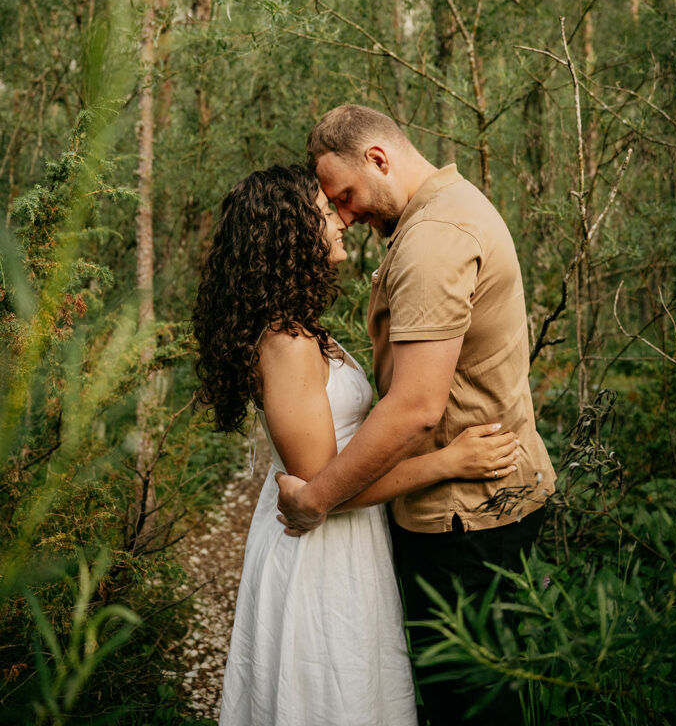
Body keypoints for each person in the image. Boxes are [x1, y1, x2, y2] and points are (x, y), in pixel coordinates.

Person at [193, 164, 521, 726]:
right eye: (328, 211)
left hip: (343, 540)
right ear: (291, 232)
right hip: (317, 551)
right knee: (332, 697)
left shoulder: (298, 328)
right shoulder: (287, 343)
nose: (343, 218)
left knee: (358, 692)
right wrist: (449, 462)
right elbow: (324, 490)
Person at [275, 106, 556, 726]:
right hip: (481, 502)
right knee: (488, 694)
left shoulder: (433, 239)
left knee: (469, 704)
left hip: (462, 518)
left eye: (345, 195)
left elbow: (415, 409)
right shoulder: (452, 207)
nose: (347, 214)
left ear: (378, 158)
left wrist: (318, 497)